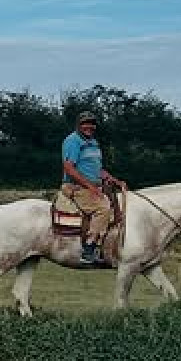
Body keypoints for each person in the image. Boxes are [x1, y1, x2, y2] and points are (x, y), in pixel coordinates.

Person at [61, 111, 126, 264]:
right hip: (75, 186)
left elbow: (98, 169)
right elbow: (69, 168)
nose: (89, 126)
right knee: (103, 208)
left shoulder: (93, 143)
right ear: (78, 125)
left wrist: (115, 180)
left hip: (91, 185)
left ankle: (108, 246)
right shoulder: (73, 141)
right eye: (85, 123)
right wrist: (91, 187)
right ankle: (88, 249)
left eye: (92, 124)